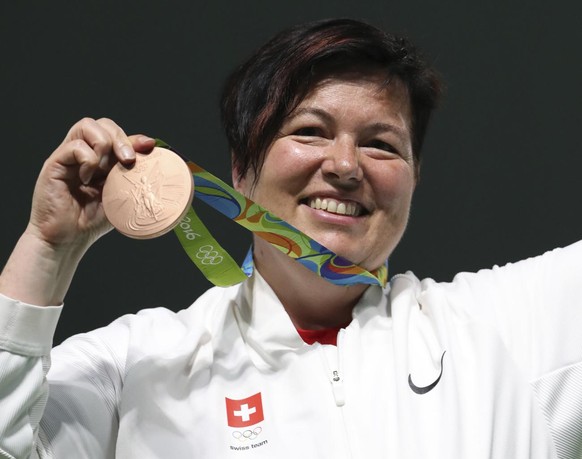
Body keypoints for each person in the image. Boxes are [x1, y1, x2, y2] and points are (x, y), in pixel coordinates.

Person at [0, 18, 580, 459]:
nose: (347, 166)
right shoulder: (139, 365)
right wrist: (47, 248)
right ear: (240, 170)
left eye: (381, 144)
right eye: (310, 132)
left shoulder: (508, 332)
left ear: (414, 177)